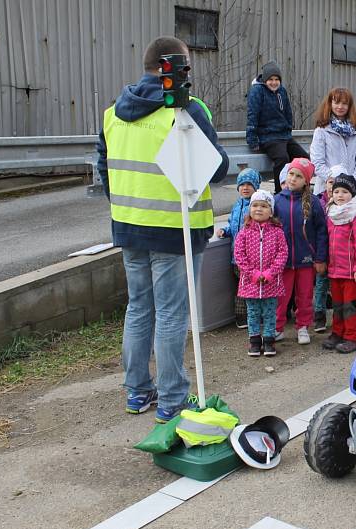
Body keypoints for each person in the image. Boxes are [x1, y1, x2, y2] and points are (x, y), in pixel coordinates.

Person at [96, 36, 229, 423]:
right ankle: (172, 399)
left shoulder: (112, 113)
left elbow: (104, 167)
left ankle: (137, 392)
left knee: (139, 308)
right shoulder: (186, 110)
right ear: (178, 65)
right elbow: (217, 168)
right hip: (175, 228)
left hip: (129, 226)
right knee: (172, 314)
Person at [273, 158, 328, 345]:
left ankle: (303, 326)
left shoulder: (313, 202)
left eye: (298, 176)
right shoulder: (277, 201)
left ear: (306, 181)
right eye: (291, 174)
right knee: (281, 296)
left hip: (306, 260)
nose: (293, 179)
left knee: (304, 296)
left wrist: (320, 258)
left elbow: (321, 231)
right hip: (283, 261)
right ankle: (277, 327)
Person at [234, 190, 288, 357]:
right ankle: (255, 342)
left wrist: (271, 273)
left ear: (271, 211)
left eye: (264, 206)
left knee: (270, 312)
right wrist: (253, 274)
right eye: (255, 205)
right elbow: (239, 255)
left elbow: (283, 253)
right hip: (250, 283)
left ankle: (269, 341)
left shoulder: (277, 232)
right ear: (250, 209)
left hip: (271, 282)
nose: (259, 209)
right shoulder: (244, 231)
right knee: (253, 313)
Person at [322, 174, 356, 353]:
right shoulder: (331, 214)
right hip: (335, 270)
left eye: (344, 192)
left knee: (350, 305)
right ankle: (337, 332)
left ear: (352, 194)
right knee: (337, 304)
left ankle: (352, 337)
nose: (340, 195)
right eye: (336, 191)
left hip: (351, 272)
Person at [246, 61, 309, 193]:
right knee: (282, 158)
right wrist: (252, 139)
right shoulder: (257, 91)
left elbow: (288, 113)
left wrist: (288, 129)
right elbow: (252, 115)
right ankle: (280, 192)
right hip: (268, 136)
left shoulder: (282, 91)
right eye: (270, 79)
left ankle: (300, 191)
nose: (274, 82)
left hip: (284, 135)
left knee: (304, 159)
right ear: (264, 80)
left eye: (276, 79)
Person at [216, 168, 260, 328]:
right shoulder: (237, 205)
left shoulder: (257, 205)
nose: (245, 187)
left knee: (247, 287)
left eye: (249, 184)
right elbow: (232, 224)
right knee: (240, 286)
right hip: (236, 256)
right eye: (242, 184)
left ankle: (247, 316)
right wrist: (225, 231)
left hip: (250, 257)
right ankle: (243, 316)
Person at [310, 87, 356, 196]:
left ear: (349, 106)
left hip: (350, 190)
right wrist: (333, 180)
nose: (340, 107)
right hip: (326, 189)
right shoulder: (322, 130)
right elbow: (317, 161)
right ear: (330, 103)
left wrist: (352, 181)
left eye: (344, 103)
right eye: (336, 103)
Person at [313, 165, 342, 333]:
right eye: (330, 182)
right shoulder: (318, 202)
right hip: (322, 251)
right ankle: (319, 316)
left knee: (337, 286)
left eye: (336, 183)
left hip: (338, 253)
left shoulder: (345, 203)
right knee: (321, 284)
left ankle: (340, 317)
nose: (332, 186)